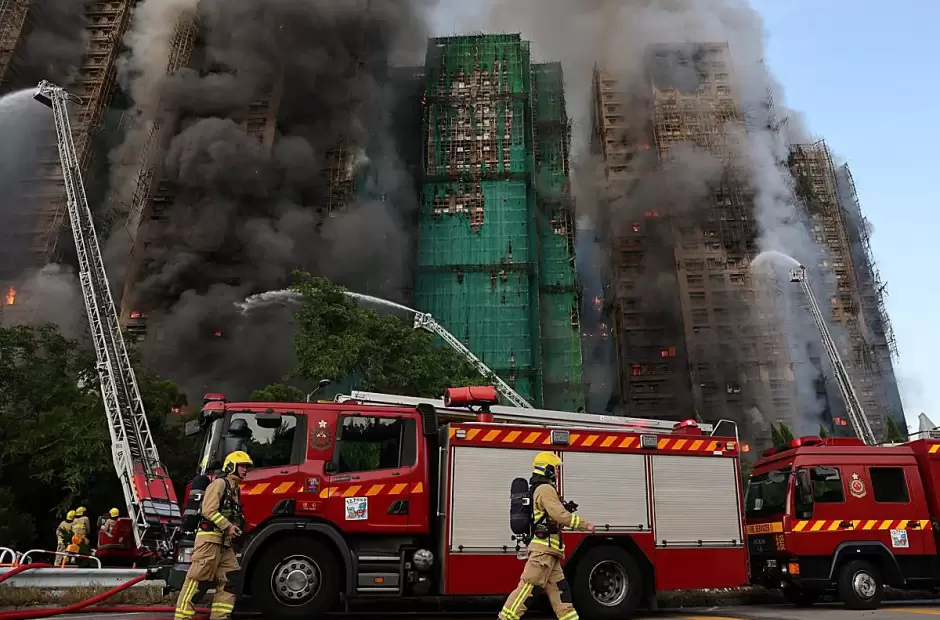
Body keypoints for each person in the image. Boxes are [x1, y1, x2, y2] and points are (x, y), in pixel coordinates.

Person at [499, 451, 595, 620]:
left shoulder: (542, 488)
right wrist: (584, 524)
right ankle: (505, 618)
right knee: (528, 589)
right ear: (547, 468)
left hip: (550, 552)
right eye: (555, 468)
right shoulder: (545, 489)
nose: (557, 472)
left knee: (561, 593)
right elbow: (559, 515)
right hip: (543, 551)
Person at [174, 450, 253, 620]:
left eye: (247, 467)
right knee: (197, 580)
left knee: (231, 580)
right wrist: (228, 526)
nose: (246, 470)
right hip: (209, 540)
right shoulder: (219, 484)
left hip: (225, 543)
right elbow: (209, 510)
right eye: (243, 466)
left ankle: (220, 617)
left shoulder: (235, 489)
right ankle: (182, 618)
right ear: (231, 466)